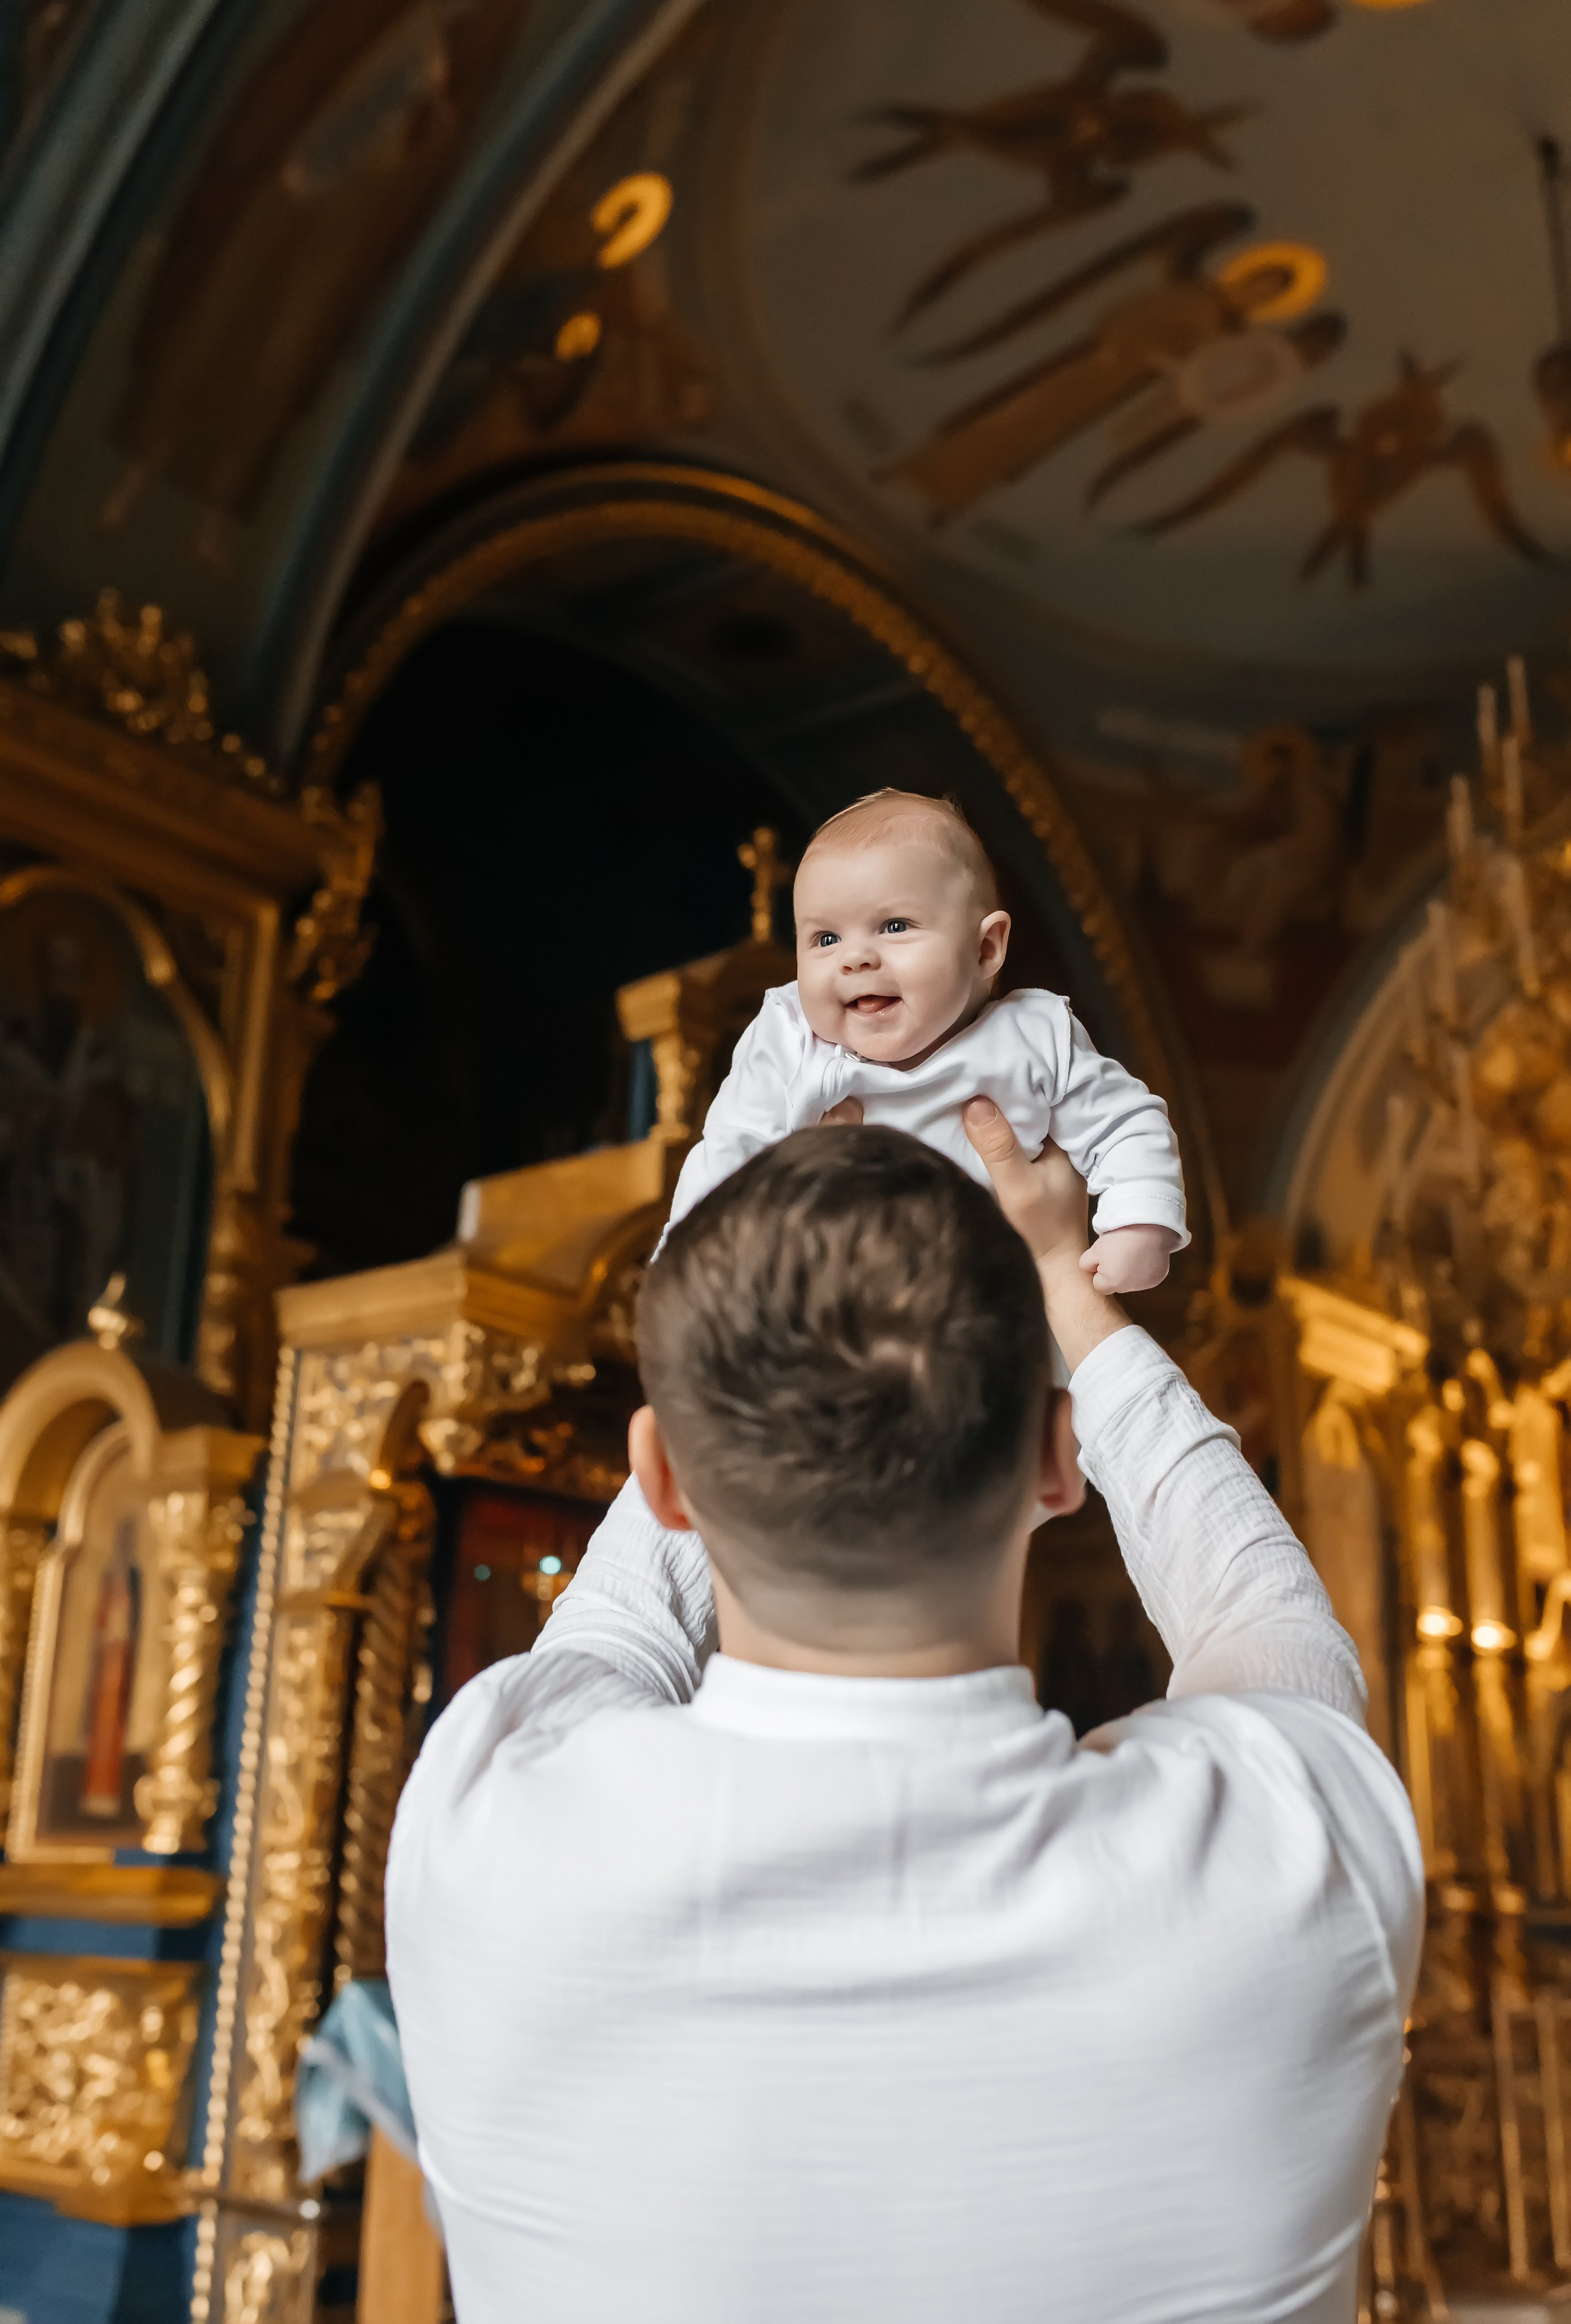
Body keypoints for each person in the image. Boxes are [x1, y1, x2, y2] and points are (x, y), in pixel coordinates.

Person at [387, 1104, 1421, 2323]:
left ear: (662, 1474)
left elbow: (612, 1624)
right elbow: (1269, 1622)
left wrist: (758, 1247)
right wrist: (1060, 1275)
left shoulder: (480, 1831)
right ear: (1055, 1460)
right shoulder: (1289, 1868)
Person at [665, 787, 1187, 1295]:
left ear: (985, 949)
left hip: (990, 1305)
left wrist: (1139, 1223)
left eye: (894, 926)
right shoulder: (790, 1035)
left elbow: (1124, 1123)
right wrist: (690, 1264)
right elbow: (732, 1148)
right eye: (826, 939)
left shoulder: (1033, 1034)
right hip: (832, 1306)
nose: (855, 958)